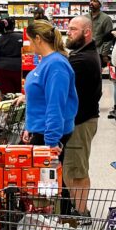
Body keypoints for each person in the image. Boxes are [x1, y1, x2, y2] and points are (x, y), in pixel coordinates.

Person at [63, 15, 101, 215]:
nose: (68, 32)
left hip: (81, 121)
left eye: (73, 29)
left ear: (87, 32)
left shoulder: (82, 59)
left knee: (76, 170)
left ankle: (81, 213)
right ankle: (76, 207)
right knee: (72, 167)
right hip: (82, 119)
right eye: (68, 28)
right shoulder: (82, 53)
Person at [20, 18, 77, 149]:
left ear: (38, 39)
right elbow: (41, 97)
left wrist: (51, 143)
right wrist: (30, 127)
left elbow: (56, 105)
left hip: (48, 135)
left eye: (30, 40)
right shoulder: (46, 60)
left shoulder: (56, 65)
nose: (29, 44)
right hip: (40, 130)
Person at [0, 17, 24, 96]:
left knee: (7, 96)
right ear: (13, 26)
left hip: (2, 70)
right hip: (20, 70)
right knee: (20, 95)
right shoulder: (22, 37)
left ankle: (8, 107)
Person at [88, 0, 115, 68]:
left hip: (98, 53)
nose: (91, 2)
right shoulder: (85, 17)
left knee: (96, 75)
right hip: (86, 51)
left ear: (100, 4)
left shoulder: (106, 19)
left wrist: (104, 54)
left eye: (94, 1)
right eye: (91, 1)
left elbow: (109, 38)